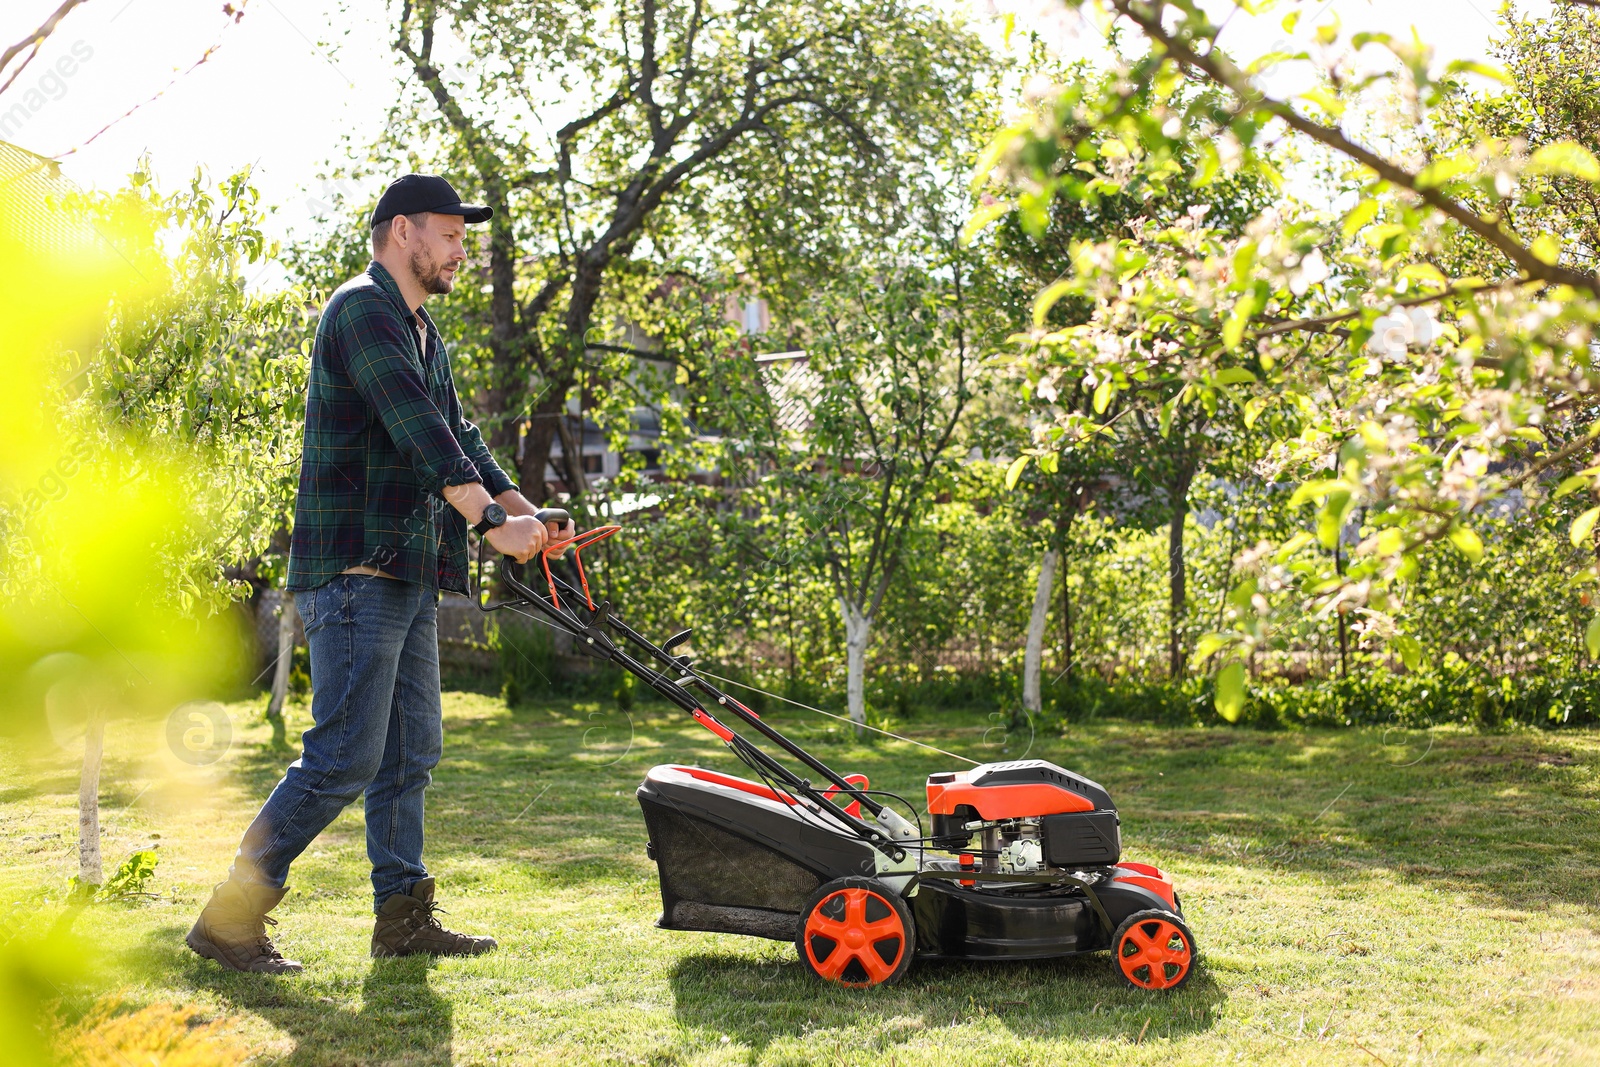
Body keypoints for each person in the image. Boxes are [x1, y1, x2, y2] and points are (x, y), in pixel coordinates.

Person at [187, 174, 571, 974]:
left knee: (409, 753)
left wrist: (526, 513)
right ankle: (229, 918)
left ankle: (401, 918)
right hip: (356, 570)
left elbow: (461, 434)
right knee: (343, 756)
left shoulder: (423, 331)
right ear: (404, 232)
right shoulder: (361, 309)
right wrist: (492, 523)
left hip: (406, 574)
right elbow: (418, 430)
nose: (464, 249)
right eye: (453, 234)